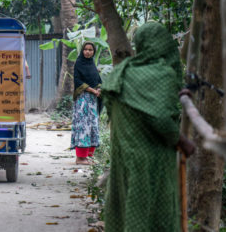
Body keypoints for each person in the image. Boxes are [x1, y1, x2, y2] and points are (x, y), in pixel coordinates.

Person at [101, 22, 194, 231]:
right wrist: (183, 142)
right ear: (164, 44)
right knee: (154, 214)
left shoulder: (121, 73)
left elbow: (114, 107)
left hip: (123, 158)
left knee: (127, 211)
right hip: (152, 162)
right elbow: (160, 118)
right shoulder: (162, 75)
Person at [71, 41, 102, 165]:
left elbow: (98, 79)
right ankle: (80, 158)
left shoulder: (92, 64)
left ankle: (88, 156)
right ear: (82, 51)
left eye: (90, 50)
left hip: (93, 100)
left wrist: (99, 89)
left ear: (93, 52)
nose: (88, 52)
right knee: (83, 126)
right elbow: (77, 80)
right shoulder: (79, 63)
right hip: (83, 100)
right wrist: (92, 90)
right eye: (86, 49)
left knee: (93, 126)